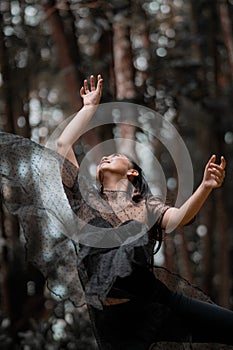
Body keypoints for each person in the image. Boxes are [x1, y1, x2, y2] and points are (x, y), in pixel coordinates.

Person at [0, 74, 232, 350]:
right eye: (103, 158)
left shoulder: (147, 206)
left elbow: (180, 217)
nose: (105, 157)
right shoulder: (85, 201)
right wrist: (89, 109)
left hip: (155, 302)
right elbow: (62, 145)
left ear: (132, 171)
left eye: (115, 156)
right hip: (113, 321)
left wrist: (206, 186)